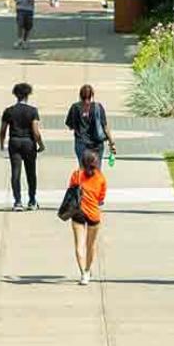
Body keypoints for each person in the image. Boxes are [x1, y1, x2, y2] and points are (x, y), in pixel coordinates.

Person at [0, 81, 45, 211]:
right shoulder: (32, 111)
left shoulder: (9, 111)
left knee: (16, 172)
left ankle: (18, 201)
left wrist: (3, 143)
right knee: (31, 172)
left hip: (14, 141)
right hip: (29, 142)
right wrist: (40, 144)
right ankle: (32, 200)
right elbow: (35, 131)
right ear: (28, 95)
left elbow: (3, 130)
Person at [68, 147, 108, 285]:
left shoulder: (76, 175)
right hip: (93, 214)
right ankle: (87, 269)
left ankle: (83, 274)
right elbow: (101, 198)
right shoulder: (100, 178)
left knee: (79, 245)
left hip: (78, 212)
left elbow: (71, 190)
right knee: (91, 245)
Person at [65, 84, 117, 167]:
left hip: (81, 143)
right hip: (97, 145)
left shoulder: (75, 107)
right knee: (96, 171)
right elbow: (105, 127)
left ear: (80, 95)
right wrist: (112, 143)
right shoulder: (98, 107)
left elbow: (70, 126)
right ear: (92, 95)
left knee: (83, 171)